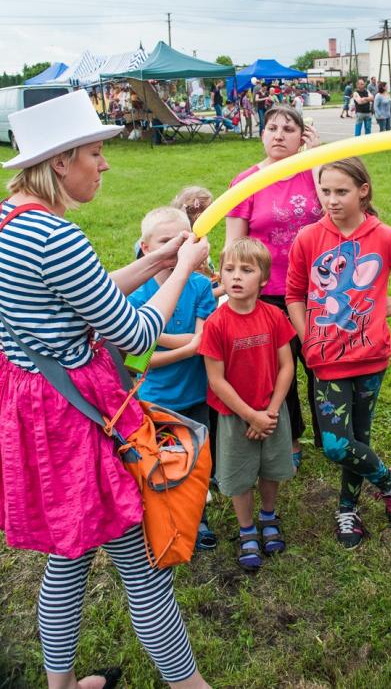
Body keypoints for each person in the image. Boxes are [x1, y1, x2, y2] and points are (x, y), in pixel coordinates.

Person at [0, 90, 211, 689]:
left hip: (35, 406)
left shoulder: (8, 221)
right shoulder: (56, 237)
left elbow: (78, 297)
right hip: (81, 419)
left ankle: (60, 686)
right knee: (139, 565)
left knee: (67, 557)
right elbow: (137, 331)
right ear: (61, 161)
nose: (106, 163)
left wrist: (152, 264)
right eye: (95, 152)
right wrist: (186, 270)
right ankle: (189, 685)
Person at [286, 158, 391, 548]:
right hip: (325, 359)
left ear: (363, 191)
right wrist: (308, 338)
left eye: (341, 192)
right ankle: (390, 482)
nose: (332, 200)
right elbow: (294, 294)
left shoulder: (383, 236)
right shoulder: (308, 238)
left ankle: (347, 508)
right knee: (337, 444)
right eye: (326, 191)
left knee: (359, 435)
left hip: (371, 356)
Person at [226, 106, 322, 464]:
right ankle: (292, 439)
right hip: (267, 292)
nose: (279, 135)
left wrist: (316, 160)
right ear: (262, 134)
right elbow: (234, 244)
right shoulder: (246, 181)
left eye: (288, 128)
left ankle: (329, 434)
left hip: (316, 290)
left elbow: (339, 213)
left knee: (319, 363)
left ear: (303, 136)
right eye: (271, 128)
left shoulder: (316, 173)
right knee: (281, 369)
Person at [200, 238, 295, 572]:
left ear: (264, 278)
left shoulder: (274, 316)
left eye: (246, 269)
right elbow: (217, 380)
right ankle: (247, 530)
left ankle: (269, 516)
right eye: (229, 269)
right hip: (235, 417)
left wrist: (269, 412)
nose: (236, 276)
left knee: (271, 468)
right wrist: (250, 415)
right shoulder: (216, 323)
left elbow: (287, 367)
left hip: (272, 412)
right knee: (240, 477)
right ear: (220, 279)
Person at [129, 206, 218, 551]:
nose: (176, 247)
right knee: (163, 465)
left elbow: (203, 340)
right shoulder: (138, 294)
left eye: (182, 240)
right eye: (166, 240)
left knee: (197, 464)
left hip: (196, 396)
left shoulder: (199, 286)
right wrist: (185, 347)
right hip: (156, 401)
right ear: (148, 249)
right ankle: (167, 523)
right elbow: (139, 364)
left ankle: (198, 520)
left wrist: (151, 334)